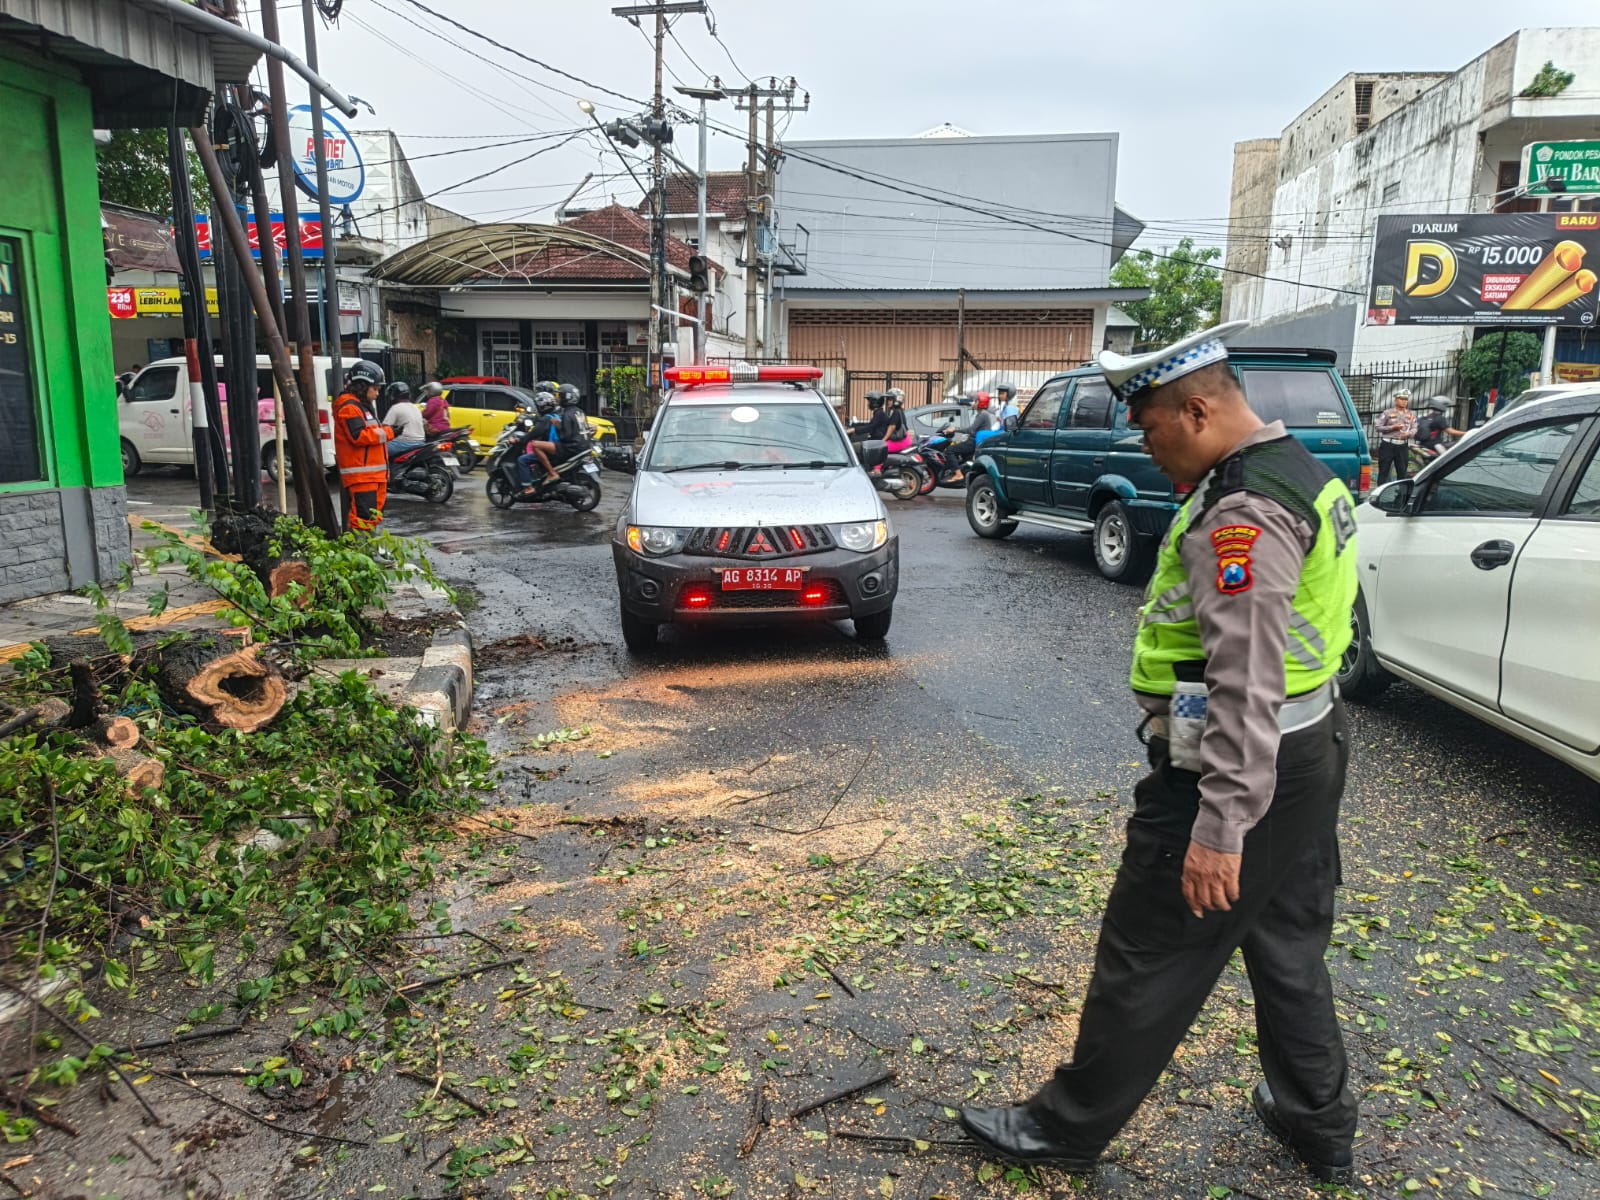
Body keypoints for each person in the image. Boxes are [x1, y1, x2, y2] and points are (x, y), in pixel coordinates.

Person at [959, 320, 1360, 1186]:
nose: (1143, 443)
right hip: (1305, 749)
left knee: (1149, 947)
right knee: (1287, 943)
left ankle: (1063, 1129)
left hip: (1231, 763)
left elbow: (1245, 678)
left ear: (1198, 406)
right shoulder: (1300, 471)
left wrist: (1220, 825)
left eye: (1148, 426)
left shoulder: (1244, 513)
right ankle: (1317, 1121)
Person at [334, 360, 394, 533]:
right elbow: (359, 436)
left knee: (372, 516)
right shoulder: (349, 407)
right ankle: (363, 554)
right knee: (364, 518)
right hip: (362, 474)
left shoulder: (362, 407)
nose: (377, 393)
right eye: (374, 388)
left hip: (372, 474)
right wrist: (389, 433)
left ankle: (369, 552)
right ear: (362, 386)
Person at [516, 393, 561, 491]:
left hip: (548, 450)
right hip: (559, 448)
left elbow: (533, 434)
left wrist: (521, 440)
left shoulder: (546, 419)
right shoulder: (557, 416)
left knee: (522, 460)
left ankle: (528, 487)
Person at [1373, 387, 1416, 484]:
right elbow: (1378, 427)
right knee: (1383, 472)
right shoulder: (1387, 413)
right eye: (1401, 399)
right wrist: (1392, 427)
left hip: (1403, 446)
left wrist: (1408, 434)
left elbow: (1414, 428)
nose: (1404, 401)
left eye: (1406, 399)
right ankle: (1380, 494)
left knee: (1402, 473)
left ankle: (1401, 495)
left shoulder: (1411, 413)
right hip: (1388, 445)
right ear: (1395, 400)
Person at [383, 383, 427, 456]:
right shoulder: (415, 407)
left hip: (404, 443)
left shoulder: (395, 408)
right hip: (421, 442)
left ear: (393, 396)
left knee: (379, 450)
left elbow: (384, 427)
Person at [883, 389, 913, 453]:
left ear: (897, 400)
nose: (888, 402)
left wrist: (883, 440)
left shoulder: (896, 412)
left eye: (890, 400)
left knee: (879, 449)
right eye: (887, 400)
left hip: (901, 441)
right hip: (905, 440)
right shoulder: (899, 410)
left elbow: (891, 427)